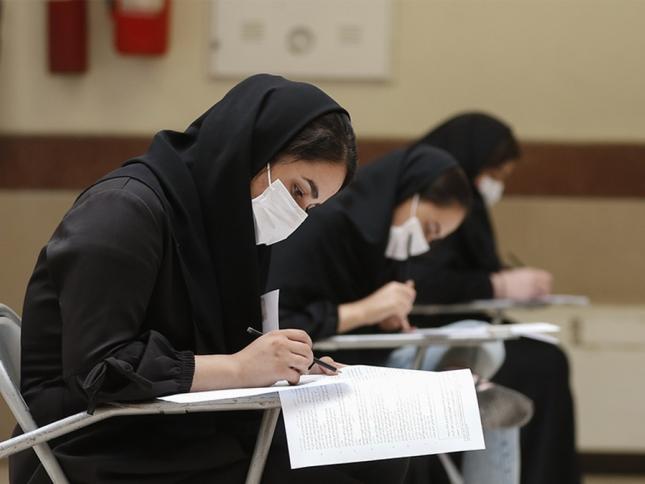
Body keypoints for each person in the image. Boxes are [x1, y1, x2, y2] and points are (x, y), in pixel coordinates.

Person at [10, 74, 409, 484]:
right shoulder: (122, 210)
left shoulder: (223, 227)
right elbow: (99, 369)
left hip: (176, 422)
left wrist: (291, 365)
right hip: (92, 439)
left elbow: (224, 345)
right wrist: (239, 367)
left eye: (311, 206)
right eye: (296, 191)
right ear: (253, 152)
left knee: (380, 456)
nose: (298, 214)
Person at [267, 145, 527, 484]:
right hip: (329, 365)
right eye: (429, 228)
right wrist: (366, 310)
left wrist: (388, 319)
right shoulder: (325, 225)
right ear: (406, 194)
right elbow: (280, 324)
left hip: (378, 357)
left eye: (436, 239)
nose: (426, 243)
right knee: (470, 399)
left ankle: (466, 382)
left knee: (484, 339)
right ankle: (466, 383)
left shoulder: (387, 244)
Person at [410, 112, 581, 484]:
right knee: (541, 364)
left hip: (462, 327)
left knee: (546, 357)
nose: (495, 186)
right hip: (424, 331)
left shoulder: (465, 201)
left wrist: (502, 281)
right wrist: (498, 285)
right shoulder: (430, 196)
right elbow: (424, 279)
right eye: (495, 174)